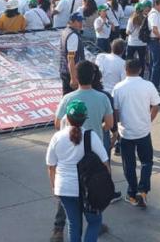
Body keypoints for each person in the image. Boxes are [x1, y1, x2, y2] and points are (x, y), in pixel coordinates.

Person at [51, 62, 113, 242]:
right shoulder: (102, 98)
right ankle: (95, 223)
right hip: (93, 156)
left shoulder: (68, 98)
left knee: (69, 201)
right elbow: (109, 124)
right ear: (93, 77)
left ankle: (58, 228)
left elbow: (57, 124)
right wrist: (96, 128)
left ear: (76, 77)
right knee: (93, 192)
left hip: (69, 154)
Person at [47, 100, 107, 242]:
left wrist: (54, 187)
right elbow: (105, 162)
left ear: (67, 117)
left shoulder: (57, 137)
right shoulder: (91, 136)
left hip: (65, 188)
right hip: (87, 189)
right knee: (94, 222)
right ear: (85, 118)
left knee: (73, 224)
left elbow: (51, 166)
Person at [113, 58, 160, 208]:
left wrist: (118, 125)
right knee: (147, 161)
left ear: (125, 70)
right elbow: (155, 106)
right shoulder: (148, 85)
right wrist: (148, 120)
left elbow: (115, 111)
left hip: (126, 132)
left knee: (129, 165)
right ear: (140, 70)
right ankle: (143, 190)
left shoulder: (119, 88)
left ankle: (132, 193)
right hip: (143, 131)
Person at [59, 13, 85, 95]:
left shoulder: (66, 31)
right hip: (71, 73)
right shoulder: (73, 36)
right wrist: (73, 78)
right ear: (71, 22)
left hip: (64, 70)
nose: (81, 24)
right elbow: (71, 58)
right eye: (78, 21)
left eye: (81, 21)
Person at [147, 0, 160, 91]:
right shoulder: (154, 14)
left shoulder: (157, 14)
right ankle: (154, 87)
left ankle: (153, 86)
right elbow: (154, 29)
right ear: (156, 4)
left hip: (155, 41)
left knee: (154, 64)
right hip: (155, 41)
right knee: (156, 64)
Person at [126, 3, 148, 77]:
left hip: (132, 43)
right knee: (142, 60)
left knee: (129, 60)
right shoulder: (145, 18)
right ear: (142, 10)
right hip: (142, 43)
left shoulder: (131, 19)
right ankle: (141, 75)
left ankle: (129, 74)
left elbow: (128, 32)